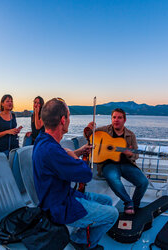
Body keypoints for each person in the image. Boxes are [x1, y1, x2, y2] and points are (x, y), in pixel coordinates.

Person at [32, 98, 118, 250]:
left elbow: (59, 161)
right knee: (112, 214)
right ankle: (83, 243)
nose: (69, 120)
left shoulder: (42, 140)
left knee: (106, 201)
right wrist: (73, 155)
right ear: (63, 120)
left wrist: (76, 152)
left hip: (62, 196)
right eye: (69, 116)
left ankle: (82, 236)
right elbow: (85, 175)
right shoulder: (52, 150)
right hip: (59, 207)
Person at [84, 108, 149, 215]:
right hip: (109, 164)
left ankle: (135, 206)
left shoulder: (130, 135)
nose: (116, 120)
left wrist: (131, 154)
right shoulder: (104, 130)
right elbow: (89, 136)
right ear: (111, 119)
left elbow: (136, 154)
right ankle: (128, 203)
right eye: (114, 117)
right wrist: (89, 128)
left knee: (143, 182)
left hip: (126, 164)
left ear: (124, 120)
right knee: (113, 178)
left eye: (119, 117)